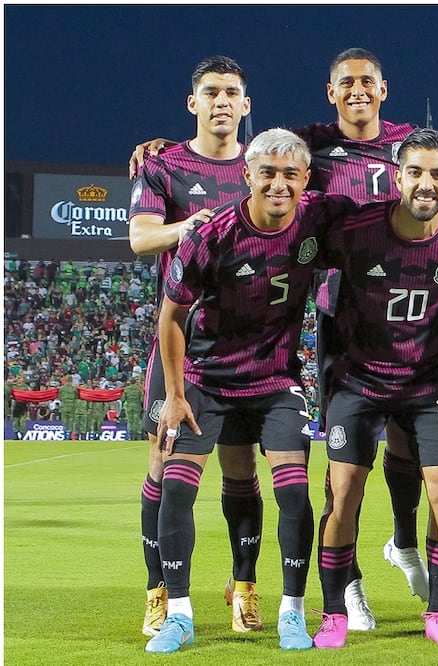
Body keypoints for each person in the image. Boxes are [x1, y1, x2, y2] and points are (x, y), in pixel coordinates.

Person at [146, 128, 357, 653]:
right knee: (177, 486)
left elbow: (388, 212)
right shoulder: (210, 234)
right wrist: (174, 394)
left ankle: (291, 611)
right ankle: (178, 613)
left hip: (276, 381)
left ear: (306, 179)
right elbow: (171, 317)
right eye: (268, 173)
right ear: (248, 175)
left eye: (291, 174)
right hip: (206, 380)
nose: (279, 184)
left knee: (292, 490)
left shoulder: (320, 217)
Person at [311, 128, 438, 649]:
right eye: (416, 172)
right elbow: (294, 255)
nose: (426, 184)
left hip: (429, 382)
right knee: (342, 496)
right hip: (358, 381)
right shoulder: (356, 230)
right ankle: (332, 612)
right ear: (396, 175)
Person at [128, 55, 265, 639]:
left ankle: (244, 588)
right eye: (210, 92)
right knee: (163, 464)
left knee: (241, 468)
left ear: (246, 104)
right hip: (182, 346)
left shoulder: (265, 166)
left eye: (232, 92)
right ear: (194, 103)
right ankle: (159, 591)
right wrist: (192, 227)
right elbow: (138, 238)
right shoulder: (162, 165)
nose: (222, 101)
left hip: (250, 348)